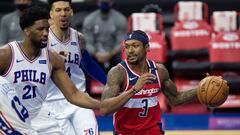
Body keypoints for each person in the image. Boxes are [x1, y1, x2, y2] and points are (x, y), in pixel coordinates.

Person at [100, 30, 227, 135]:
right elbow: (105, 109)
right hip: (125, 132)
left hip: (152, 130)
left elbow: (175, 98)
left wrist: (201, 88)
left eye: (135, 45)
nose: (130, 51)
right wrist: (133, 90)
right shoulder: (118, 73)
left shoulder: (159, 71)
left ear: (147, 47)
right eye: (127, 47)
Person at [0, 5, 100, 135]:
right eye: (40, 29)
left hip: (39, 116)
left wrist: (102, 105)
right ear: (26, 31)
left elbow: (74, 94)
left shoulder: (53, 59)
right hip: (11, 118)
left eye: (47, 29)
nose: (46, 33)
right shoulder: (6, 55)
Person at [45, 0, 106, 135]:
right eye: (58, 10)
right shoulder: (44, 40)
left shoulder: (79, 38)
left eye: (66, 10)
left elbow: (89, 64)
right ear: (51, 14)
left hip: (80, 101)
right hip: (52, 103)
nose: (63, 14)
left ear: (72, 12)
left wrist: (108, 84)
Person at [82, 0, 127, 72]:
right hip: (95, 54)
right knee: (84, 57)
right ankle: (85, 83)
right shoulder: (89, 20)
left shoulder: (121, 19)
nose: (104, 1)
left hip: (113, 54)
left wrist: (111, 54)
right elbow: (87, 42)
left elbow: (122, 42)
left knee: (124, 57)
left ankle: (123, 82)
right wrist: (96, 54)